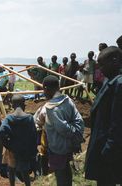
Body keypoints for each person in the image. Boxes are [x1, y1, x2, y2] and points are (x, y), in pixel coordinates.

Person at [34, 75, 84, 186]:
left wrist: (71, 132)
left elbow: (64, 129)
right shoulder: (68, 100)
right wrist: (76, 136)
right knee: (66, 171)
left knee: (60, 175)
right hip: (69, 146)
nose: (43, 92)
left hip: (58, 148)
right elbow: (79, 121)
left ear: (47, 89)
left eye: (44, 89)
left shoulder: (51, 108)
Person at [85, 46, 122, 186]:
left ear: (115, 60)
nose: (99, 69)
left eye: (102, 64)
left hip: (108, 150)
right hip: (103, 146)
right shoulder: (111, 81)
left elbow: (118, 121)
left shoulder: (119, 84)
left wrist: (109, 149)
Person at [0, 95, 37, 186]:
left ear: (12, 105)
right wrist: (32, 149)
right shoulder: (29, 118)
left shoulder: (9, 118)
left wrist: (8, 145)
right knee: (25, 172)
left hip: (13, 149)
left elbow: (1, 131)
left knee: (11, 170)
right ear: (23, 105)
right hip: (25, 150)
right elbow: (34, 135)